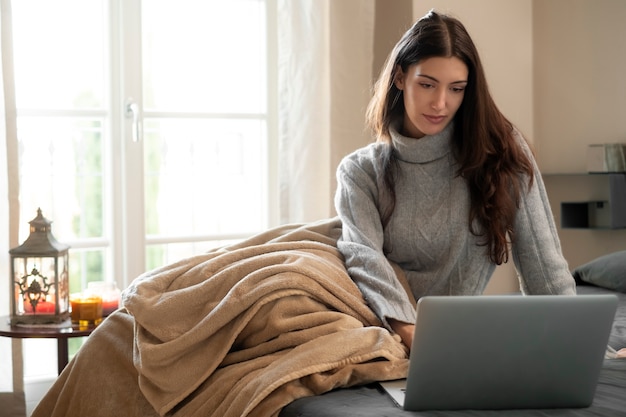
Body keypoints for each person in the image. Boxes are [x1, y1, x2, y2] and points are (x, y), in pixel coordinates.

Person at [334, 10, 578, 350]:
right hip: (379, 324)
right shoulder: (360, 171)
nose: (440, 103)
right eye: (427, 84)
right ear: (401, 78)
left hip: (448, 336)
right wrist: (411, 334)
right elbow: (364, 257)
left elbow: (543, 265)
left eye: (457, 88)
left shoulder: (499, 152)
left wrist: (587, 346)